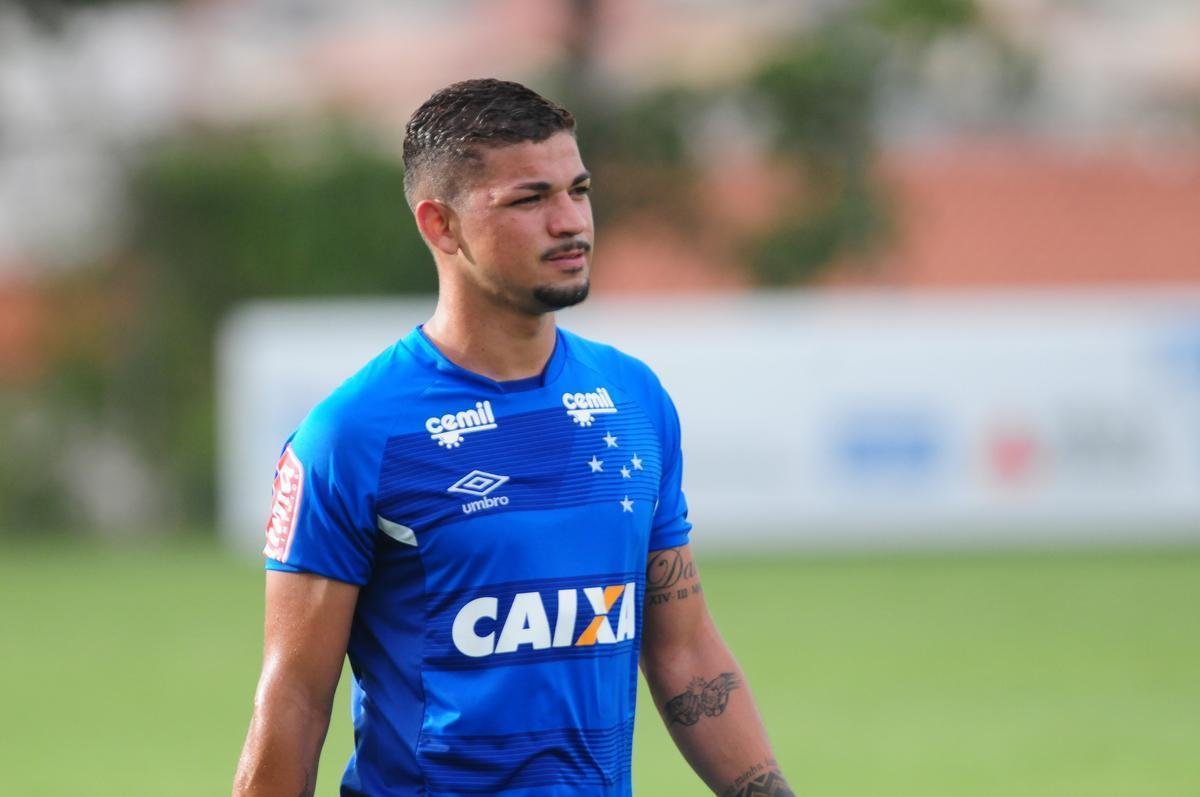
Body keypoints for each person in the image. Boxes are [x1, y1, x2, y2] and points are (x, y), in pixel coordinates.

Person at [233, 78, 793, 797]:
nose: (571, 222)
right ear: (441, 225)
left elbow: (685, 654)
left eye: (579, 191)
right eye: (530, 200)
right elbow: (294, 699)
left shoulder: (633, 399)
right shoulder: (352, 436)